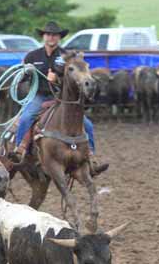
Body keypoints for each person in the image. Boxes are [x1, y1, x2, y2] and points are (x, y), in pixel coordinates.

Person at [13, 21, 108, 175]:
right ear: (43, 36)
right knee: (27, 117)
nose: (51, 37)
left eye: (55, 35)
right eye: (48, 34)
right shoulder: (32, 56)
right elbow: (22, 77)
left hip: (60, 97)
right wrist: (24, 73)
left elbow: (72, 79)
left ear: (59, 38)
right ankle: (19, 150)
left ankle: (91, 158)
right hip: (39, 95)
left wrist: (56, 79)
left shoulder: (66, 56)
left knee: (87, 125)